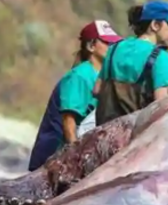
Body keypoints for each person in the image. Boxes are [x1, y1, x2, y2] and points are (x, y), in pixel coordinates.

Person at [27, 20, 121, 171]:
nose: (112, 48)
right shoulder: (80, 76)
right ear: (91, 46)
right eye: (107, 43)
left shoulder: (101, 77)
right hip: (53, 158)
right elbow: (68, 122)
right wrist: (76, 160)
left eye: (114, 44)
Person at [94, 0, 168, 126]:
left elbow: (97, 90)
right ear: (155, 25)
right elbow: (161, 104)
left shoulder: (115, 48)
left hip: (103, 131)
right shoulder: (160, 57)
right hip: (133, 136)